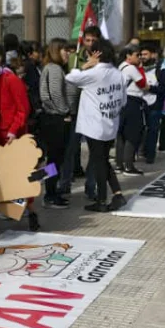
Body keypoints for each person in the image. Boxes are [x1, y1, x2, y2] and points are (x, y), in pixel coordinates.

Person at [0, 44, 39, 235]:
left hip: (13, 139)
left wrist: (13, 132)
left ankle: (31, 213)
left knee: (20, 179)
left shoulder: (11, 80)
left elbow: (23, 109)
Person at [66, 39, 127, 212]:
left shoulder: (93, 74)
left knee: (99, 162)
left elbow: (70, 77)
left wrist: (86, 65)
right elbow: (123, 101)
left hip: (95, 126)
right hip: (110, 123)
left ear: (95, 55)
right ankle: (117, 194)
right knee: (103, 160)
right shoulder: (118, 73)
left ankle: (102, 200)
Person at [61, 25, 103, 192]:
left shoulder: (104, 58)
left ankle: (91, 186)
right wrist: (86, 66)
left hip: (95, 110)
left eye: (94, 40)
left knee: (95, 151)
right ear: (83, 40)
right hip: (76, 110)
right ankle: (64, 184)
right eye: (87, 40)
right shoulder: (74, 57)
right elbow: (69, 80)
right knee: (70, 150)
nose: (90, 43)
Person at [40, 38, 78, 208]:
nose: (68, 54)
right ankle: (50, 194)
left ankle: (51, 192)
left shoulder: (51, 68)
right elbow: (54, 94)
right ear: (57, 51)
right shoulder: (54, 69)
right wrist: (65, 112)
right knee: (54, 159)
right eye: (65, 51)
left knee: (54, 159)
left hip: (53, 118)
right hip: (57, 119)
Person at [116, 44, 148, 175]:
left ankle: (119, 164)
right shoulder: (131, 69)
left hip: (121, 102)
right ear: (128, 56)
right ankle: (128, 165)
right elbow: (143, 84)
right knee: (132, 134)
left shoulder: (120, 67)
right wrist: (140, 68)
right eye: (137, 55)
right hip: (132, 102)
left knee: (121, 135)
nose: (140, 58)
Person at [140, 44, 165, 164]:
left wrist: (149, 88)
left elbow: (163, 88)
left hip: (154, 105)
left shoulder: (161, 69)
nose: (143, 57)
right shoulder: (138, 68)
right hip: (140, 104)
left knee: (153, 130)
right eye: (141, 54)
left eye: (145, 54)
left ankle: (150, 155)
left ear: (153, 55)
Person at [22, 41, 44, 153]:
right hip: (32, 111)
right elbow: (34, 86)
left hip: (33, 110)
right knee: (38, 147)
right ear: (30, 53)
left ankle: (49, 170)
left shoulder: (35, 66)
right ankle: (49, 170)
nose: (39, 54)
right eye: (37, 52)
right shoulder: (29, 67)